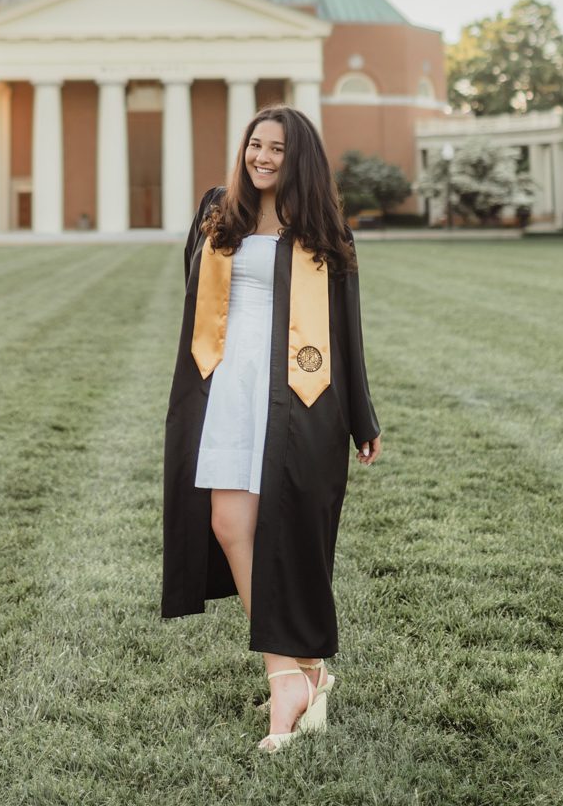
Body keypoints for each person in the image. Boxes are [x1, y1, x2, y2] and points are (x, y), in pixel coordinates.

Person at [161, 105, 383, 754]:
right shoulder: (215, 210)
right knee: (228, 524)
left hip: (297, 395)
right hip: (226, 385)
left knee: (282, 528)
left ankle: (287, 678)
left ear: (299, 159)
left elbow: (347, 332)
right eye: (254, 145)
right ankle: (301, 669)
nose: (260, 157)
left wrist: (361, 417)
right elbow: (192, 295)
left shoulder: (321, 229)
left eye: (275, 149)